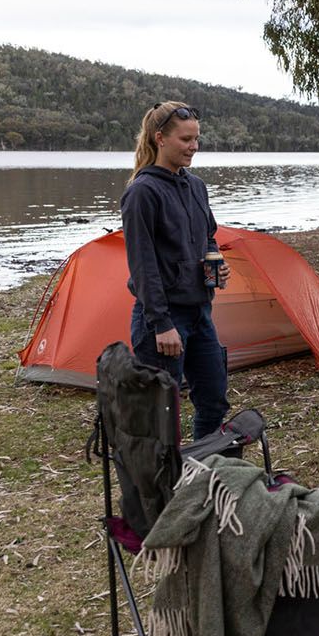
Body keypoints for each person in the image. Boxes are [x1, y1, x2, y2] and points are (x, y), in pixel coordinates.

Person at [120, 101, 231, 441]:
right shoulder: (142, 192)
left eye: (196, 139)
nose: (193, 146)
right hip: (163, 320)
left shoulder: (196, 186)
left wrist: (214, 262)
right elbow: (142, 264)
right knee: (162, 415)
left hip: (200, 312)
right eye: (185, 139)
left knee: (214, 402)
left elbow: (208, 235)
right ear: (160, 139)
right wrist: (162, 323)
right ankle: (164, 475)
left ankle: (203, 468)